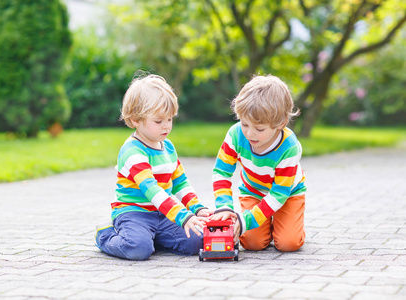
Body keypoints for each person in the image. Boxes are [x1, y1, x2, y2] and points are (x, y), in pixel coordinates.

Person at [95, 73, 212, 260]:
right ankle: (105, 235)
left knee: (197, 241)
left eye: (170, 119)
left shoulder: (168, 147)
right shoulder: (133, 152)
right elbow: (152, 190)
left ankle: (152, 237)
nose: (166, 126)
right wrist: (183, 216)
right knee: (138, 249)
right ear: (135, 120)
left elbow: (180, 183)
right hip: (134, 213)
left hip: (162, 213)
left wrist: (197, 209)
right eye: (158, 121)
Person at [211, 74, 307, 252]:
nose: (250, 134)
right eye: (245, 124)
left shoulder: (289, 146)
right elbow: (221, 172)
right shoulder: (235, 134)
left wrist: (245, 220)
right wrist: (224, 206)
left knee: (288, 244)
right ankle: (267, 227)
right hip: (253, 191)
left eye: (259, 128)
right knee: (252, 243)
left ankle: (285, 223)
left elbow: (279, 193)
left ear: (280, 123)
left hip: (286, 195)